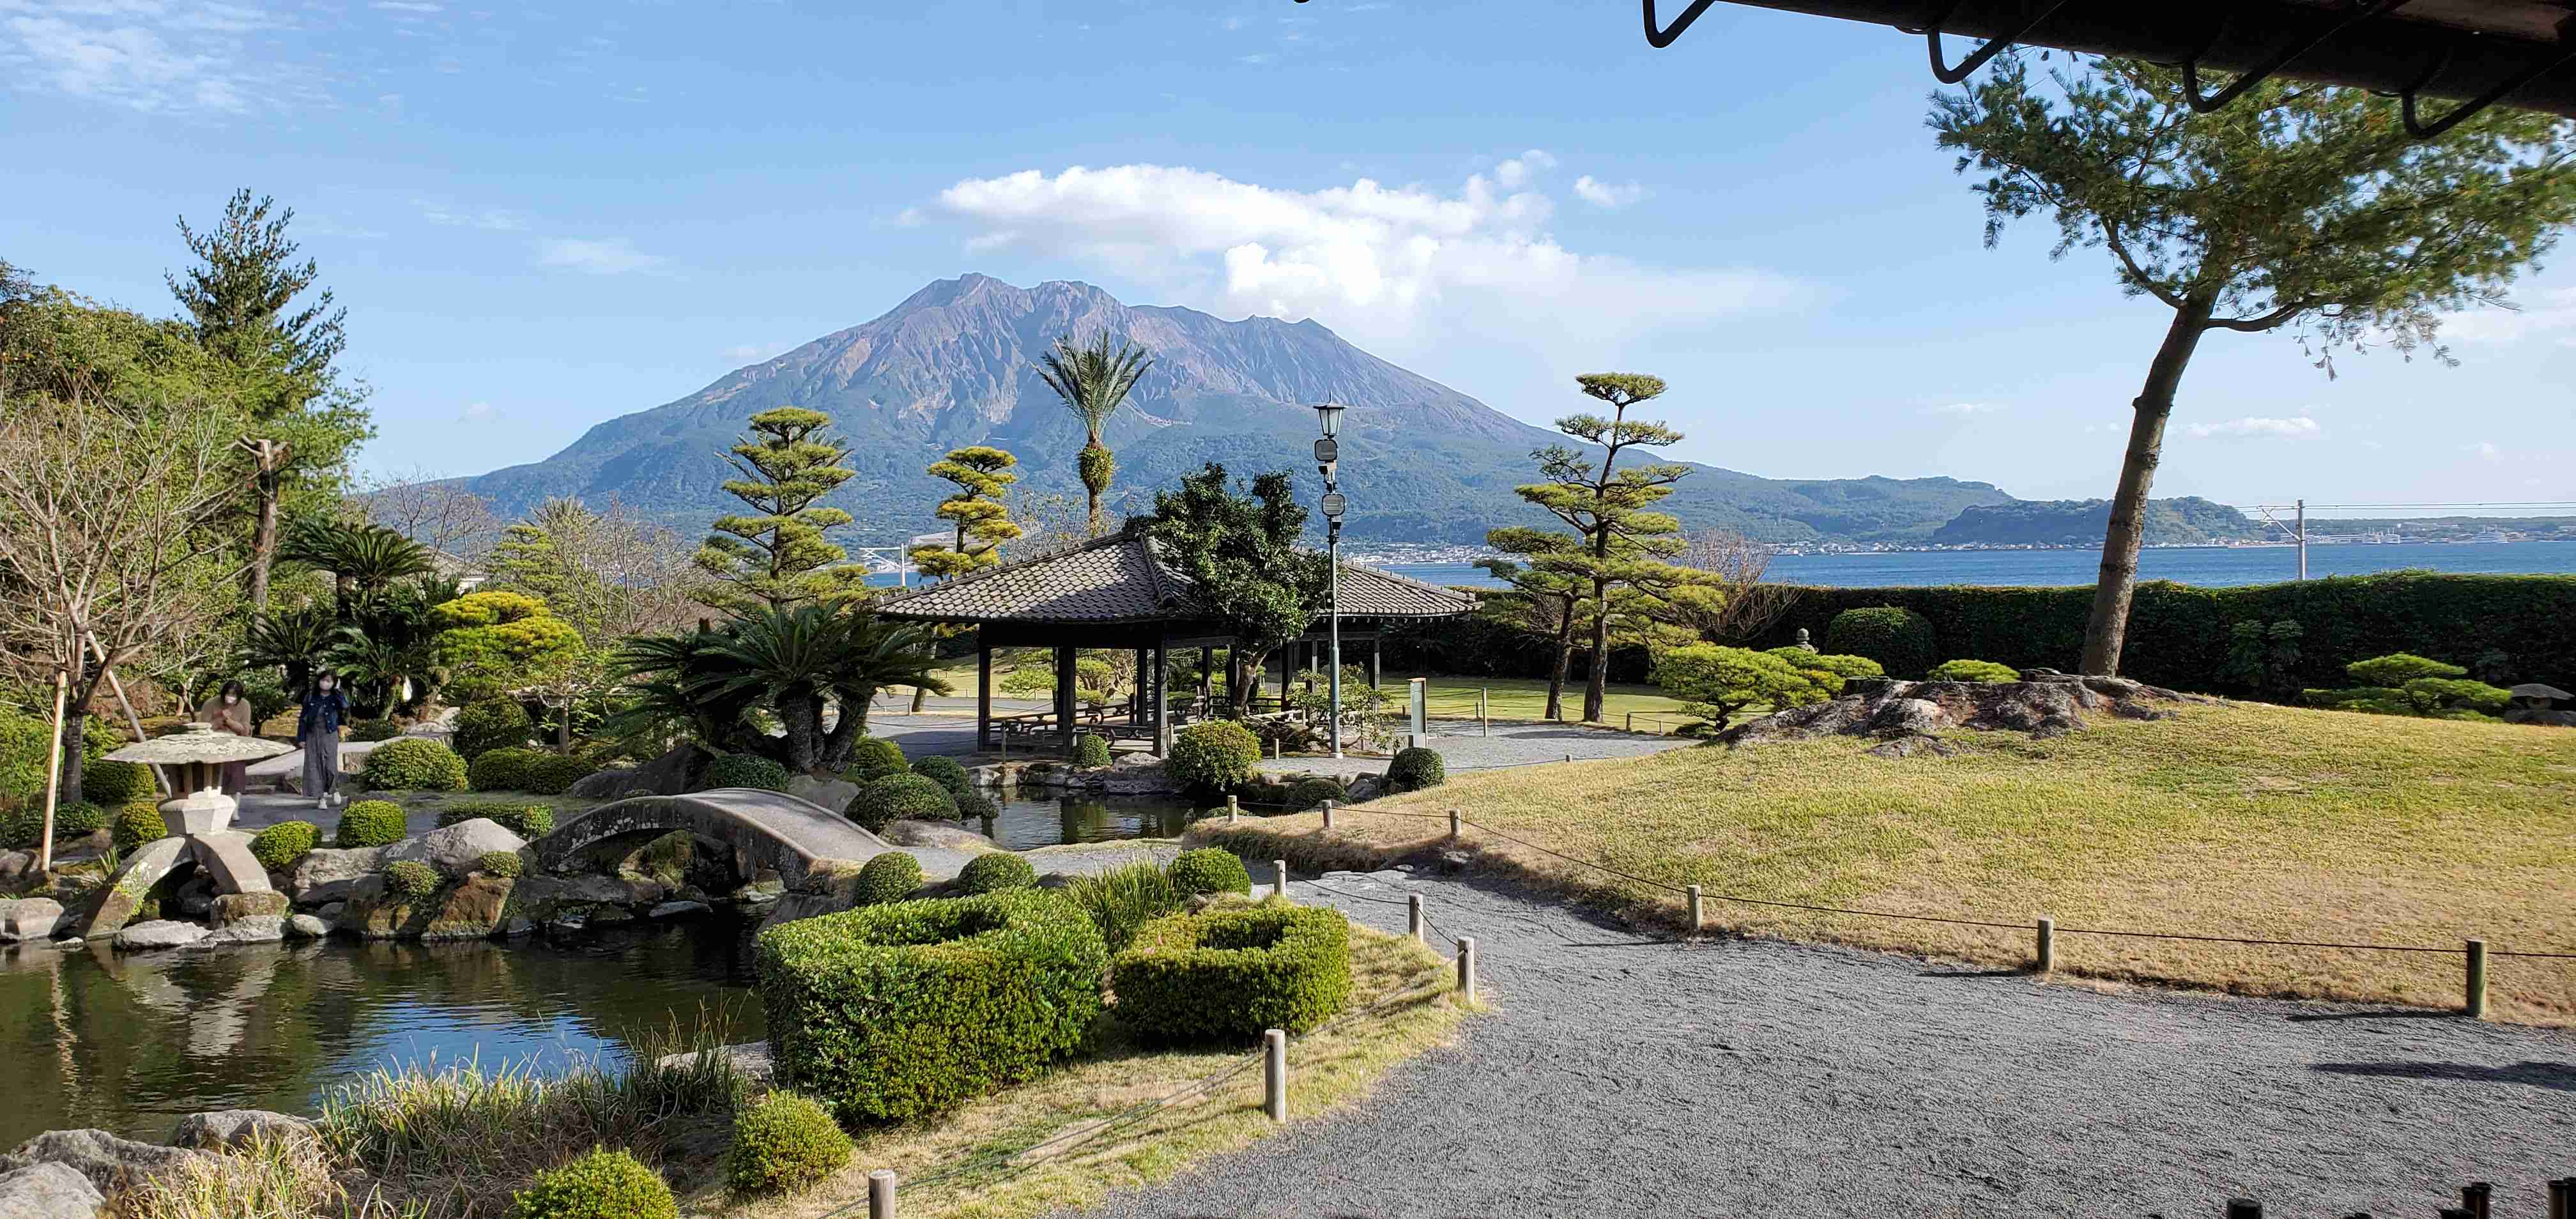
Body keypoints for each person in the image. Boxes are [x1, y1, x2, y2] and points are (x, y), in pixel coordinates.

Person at [296, 671, 349, 810]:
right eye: (323, 680)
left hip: (329, 734)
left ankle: (334, 790)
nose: (325, 683)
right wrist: (301, 738)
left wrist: (338, 690)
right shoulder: (311, 696)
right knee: (314, 766)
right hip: (312, 734)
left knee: (330, 765)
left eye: (329, 681)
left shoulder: (335, 697)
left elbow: (344, 706)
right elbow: (303, 718)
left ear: (333, 683)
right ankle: (320, 798)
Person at [195, 679, 256, 796]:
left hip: (235, 747)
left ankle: (234, 810)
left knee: (235, 779)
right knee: (214, 779)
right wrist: (218, 720)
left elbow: (245, 730)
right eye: (229, 694)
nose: (230, 698)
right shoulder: (211, 704)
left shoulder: (245, 705)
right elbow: (203, 728)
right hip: (213, 746)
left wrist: (229, 721)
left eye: (234, 695)